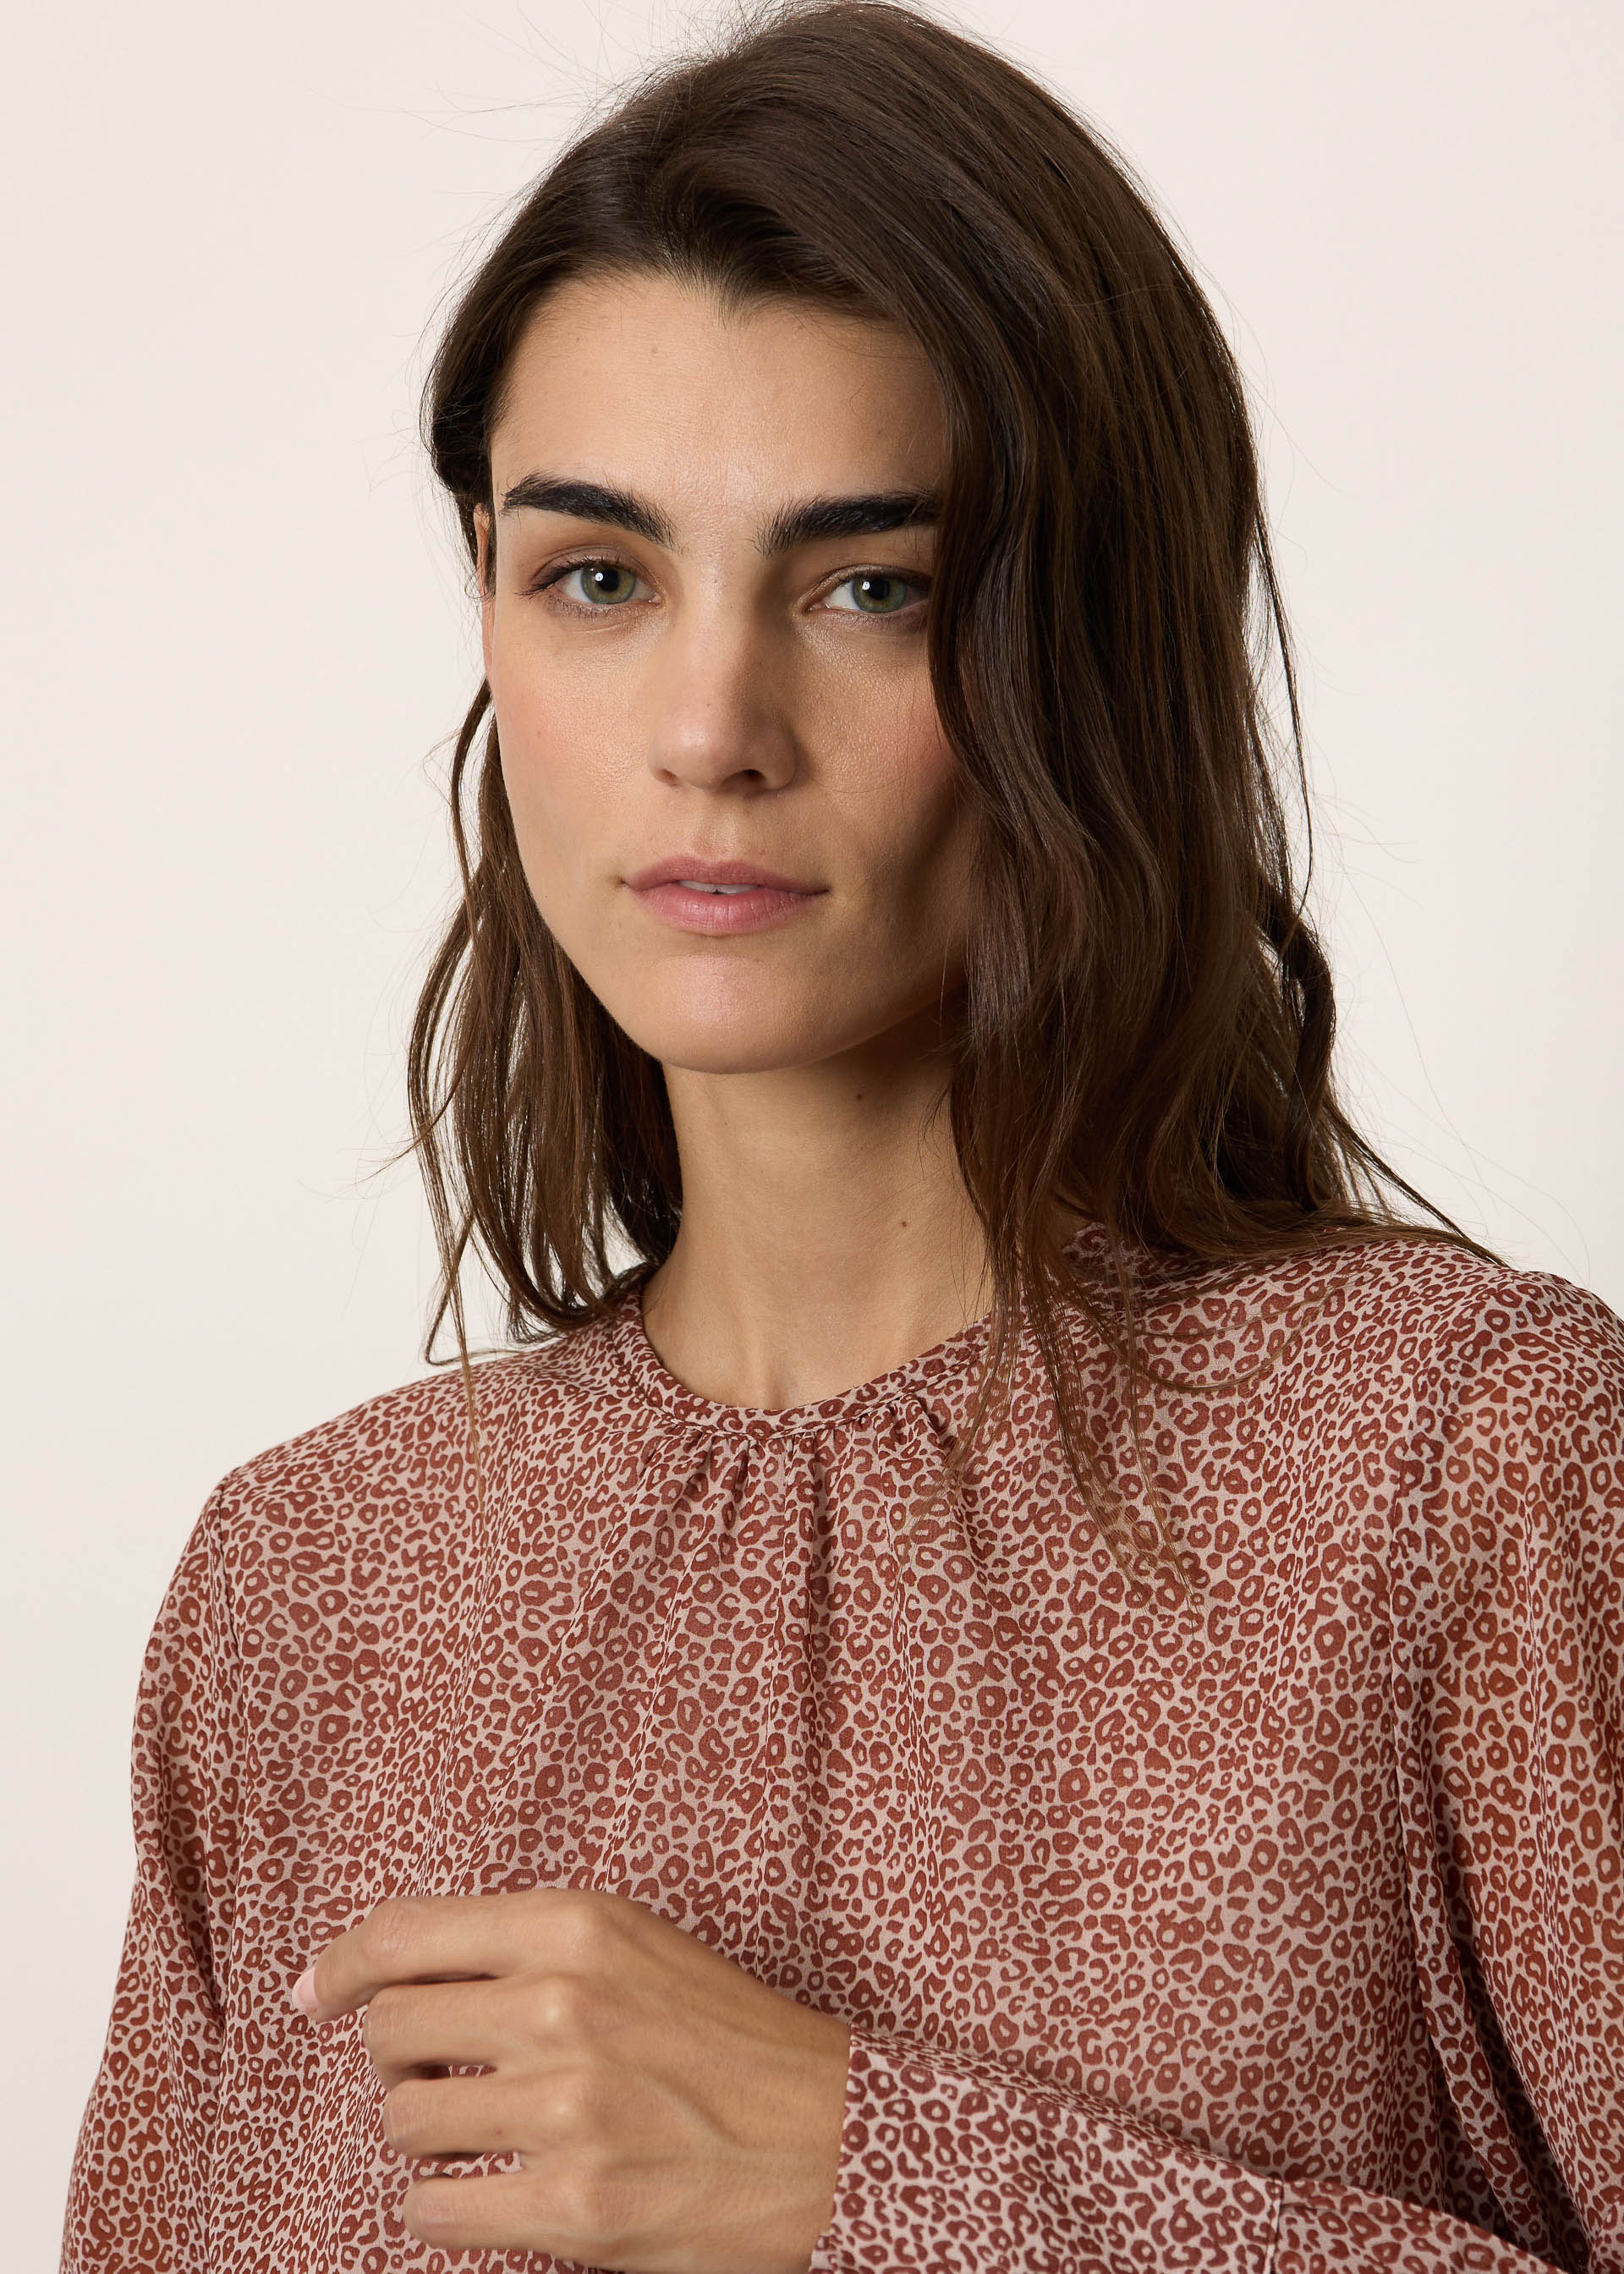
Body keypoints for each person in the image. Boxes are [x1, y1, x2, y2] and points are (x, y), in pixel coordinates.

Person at [61, 3, 1624, 2269]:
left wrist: (882, 2179)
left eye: (871, 586)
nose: (712, 726)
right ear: (489, 605)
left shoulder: (1463, 1472)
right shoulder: (307, 1594)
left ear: (1090, 646)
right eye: (599, 577)